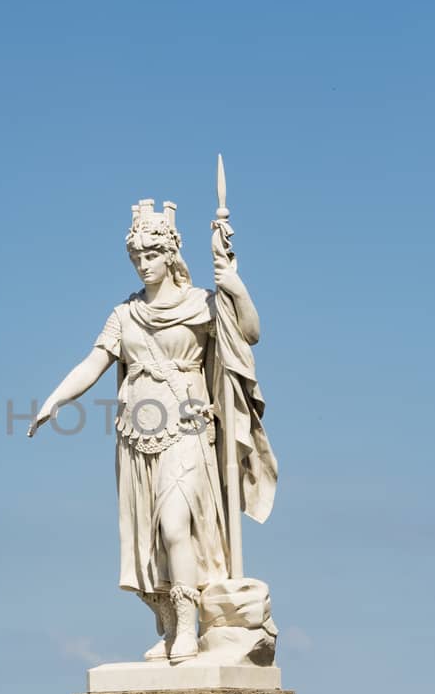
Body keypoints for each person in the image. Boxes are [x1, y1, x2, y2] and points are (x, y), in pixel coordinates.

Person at [28, 199, 273, 661]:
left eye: (152, 254)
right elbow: (94, 362)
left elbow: (250, 333)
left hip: (187, 429)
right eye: (137, 257)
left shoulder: (203, 303)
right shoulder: (124, 315)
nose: (144, 264)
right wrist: (56, 398)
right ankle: (167, 628)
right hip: (136, 437)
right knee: (150, 536)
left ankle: (187, 625)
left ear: (171, 254)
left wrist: (235, 286)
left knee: (174, 523)